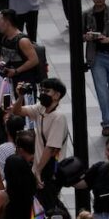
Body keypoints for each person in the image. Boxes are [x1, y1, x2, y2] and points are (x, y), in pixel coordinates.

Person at [12, 78, 69, 208]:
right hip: (40, 168)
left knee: (47, 205)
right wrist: (20, 96)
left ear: (57, 95)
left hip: (49, 170)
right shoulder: (41, 108)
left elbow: (51, 148)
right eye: (42, 90)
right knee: (40, 205)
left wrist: (38, 171)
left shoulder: (59, 117)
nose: (42, 93)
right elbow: (17, 111)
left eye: (47, 91)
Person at [84, 0, 109, 137]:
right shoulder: (86, 14)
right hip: (96, 56)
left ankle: (106, 107)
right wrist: (87, 37)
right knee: (101, 91)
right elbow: (79, 34)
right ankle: (106, 122)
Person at [0, 9, 40, 85]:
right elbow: (6, 55)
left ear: (7, 22)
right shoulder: (5, 38)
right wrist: (2, 63)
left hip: (24, 84)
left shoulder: (22, 40)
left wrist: (16, 71)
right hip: (11, 82)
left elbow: (34, 60)